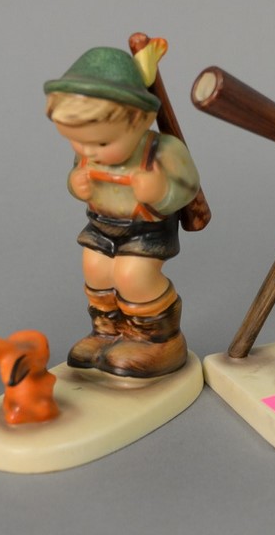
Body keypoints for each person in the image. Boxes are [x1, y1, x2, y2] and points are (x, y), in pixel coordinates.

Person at [45, 46, 200, 379]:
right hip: (101, 225)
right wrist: (77, 184)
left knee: (133, 276)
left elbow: (187, 188)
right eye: (77, 142)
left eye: (102, 144)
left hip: (145, 231)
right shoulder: (88, 152)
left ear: (141, 120)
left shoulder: (161, 150)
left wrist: (159, 191)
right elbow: (76, 179)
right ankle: (106, 331)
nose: (90, 151)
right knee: (95, 269)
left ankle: (156, 338)